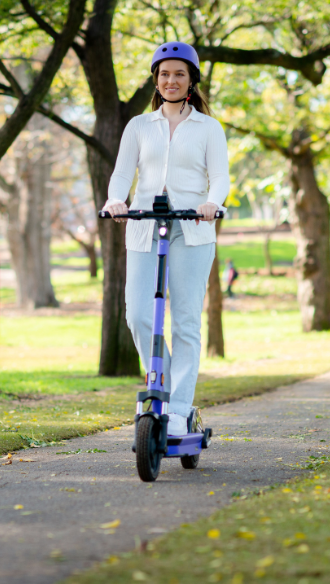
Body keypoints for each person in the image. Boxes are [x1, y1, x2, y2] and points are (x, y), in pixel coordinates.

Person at [101, 42, 229, 436]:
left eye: (179, 74)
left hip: (192, 227)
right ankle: (169, 390)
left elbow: (220, 177)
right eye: (164, 74)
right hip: (144, 226)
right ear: (156, 80)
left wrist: (211, 203)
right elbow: (123, 174)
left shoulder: (209, 128)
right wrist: (115, 199)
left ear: (191, 81)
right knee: (138, 315)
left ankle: (178, 409)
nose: (171, 80)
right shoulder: (139, 126)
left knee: (186, 319)